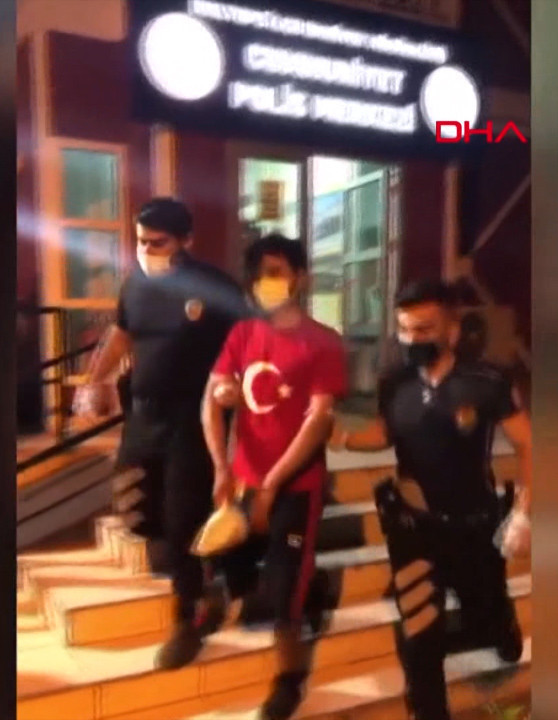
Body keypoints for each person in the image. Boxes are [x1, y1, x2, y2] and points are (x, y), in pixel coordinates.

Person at [329, 279, 532, 720]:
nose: (412, 339)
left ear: (452, 330)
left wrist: (522, 513)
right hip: (414, 529)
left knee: (483, 612)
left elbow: (528, 445)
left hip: (476, 524)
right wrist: (341, 437)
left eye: (424, 329)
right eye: (404, 329)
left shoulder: (487, 381)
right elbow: (385, 433)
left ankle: (499, 621)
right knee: (420, 633)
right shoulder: (394, 382)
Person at [75, 197, 250, 669]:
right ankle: (210, 570)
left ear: (186, 240)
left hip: (193, 420)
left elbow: (249, 342)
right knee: (136, 507)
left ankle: (189, 615)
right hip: (143, 418)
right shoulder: (135, 284)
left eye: (158, 243)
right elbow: (122, 335)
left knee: (181, 520)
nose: (147, 250)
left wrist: (237, 387)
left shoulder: (214, 287)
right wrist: (94, 381)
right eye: (141, 242)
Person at [203, 234, 347, 720]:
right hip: (245, 478)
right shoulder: (243, 334)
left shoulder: (322, 341)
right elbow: (213, 396)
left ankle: (289, 679)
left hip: (296, 487)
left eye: (276, 272)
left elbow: (318, 420)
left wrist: (272, 485)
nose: (265, 283)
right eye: (258, 274)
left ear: (300, 277)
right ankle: (314, 591)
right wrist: (221, 466)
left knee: (286, 592)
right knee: (230, 566)